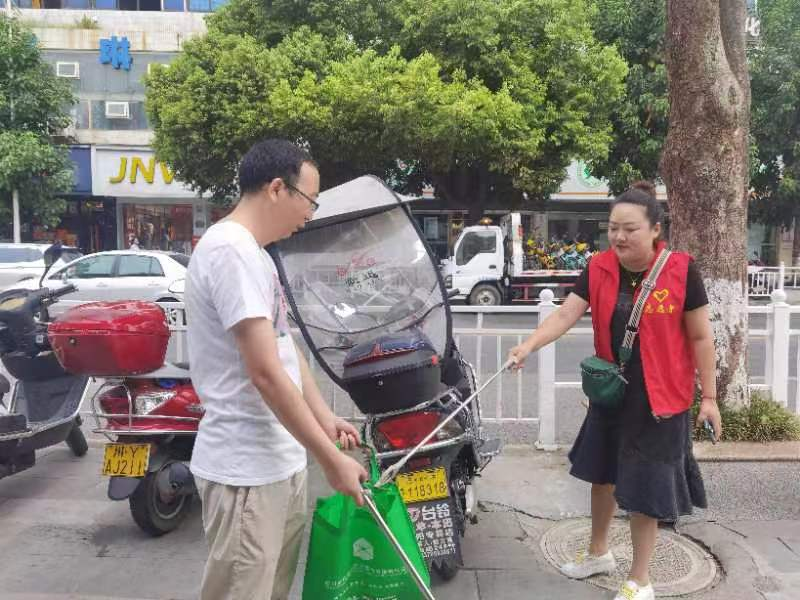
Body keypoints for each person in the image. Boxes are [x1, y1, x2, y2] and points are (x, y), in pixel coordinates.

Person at [508, 181, 721, 600]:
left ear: (655, 229)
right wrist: (528, 345)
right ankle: (598, 553)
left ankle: (640, 581)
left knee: (644, 489)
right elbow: (566, 314)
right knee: (602, 475)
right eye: (613, 228)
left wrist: (710, 398)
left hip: (660, 399)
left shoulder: (681, 271)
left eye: (630, 229)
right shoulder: (599, 267)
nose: (619, 237)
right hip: (612, 393)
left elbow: (701, 337)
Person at [185, 139, 367, 600]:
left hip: (278, 461)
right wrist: (332, 461)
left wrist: (324, 419)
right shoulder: (231, 251)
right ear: (276, 189)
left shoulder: (257, 254)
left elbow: (285, 348)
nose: (311, 213)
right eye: (310, 199)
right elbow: (264, 373)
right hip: (245, 470)